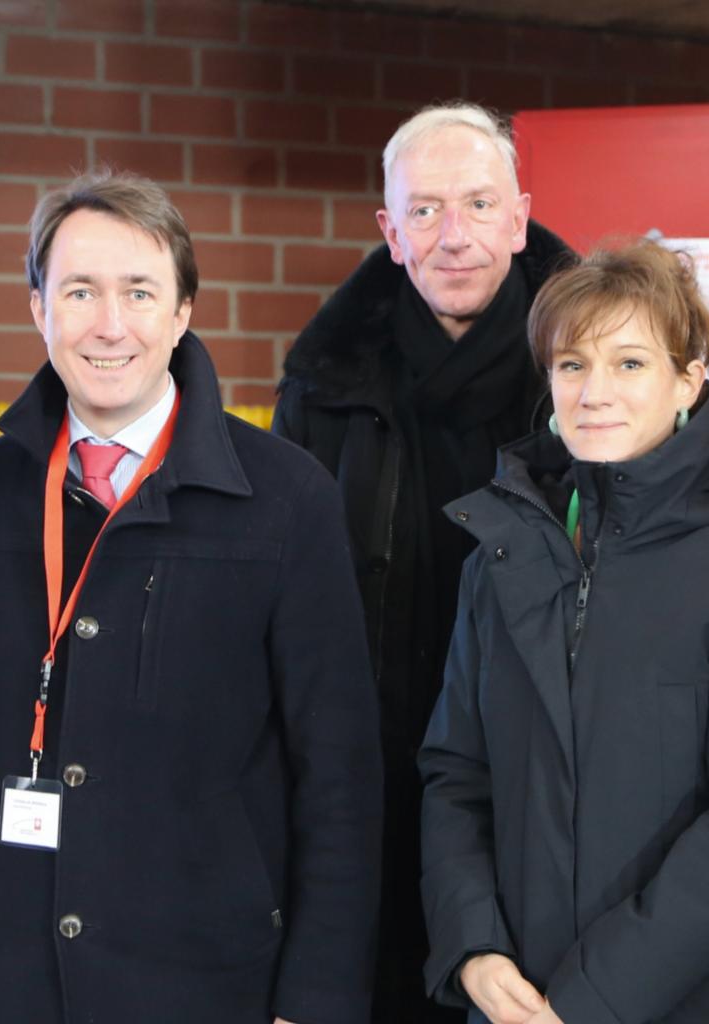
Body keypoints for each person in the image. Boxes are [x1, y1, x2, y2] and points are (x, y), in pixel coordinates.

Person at [0, 170, 382, 1024]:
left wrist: (316, 998)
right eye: (79, 291)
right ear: (38, 306)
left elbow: (338, 776)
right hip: (4, 974)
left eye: (139, 292)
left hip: (205, 979)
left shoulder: (286, 498)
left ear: (183, 311)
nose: (109, 324)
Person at [420, 239, 709, 1024]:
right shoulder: (502, 559)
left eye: (631, 364)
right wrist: (472, 947)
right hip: (514, 1003)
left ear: (688, 380)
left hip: (687, 1002)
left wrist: (589, 1002)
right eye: (572, 365)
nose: (594, 392)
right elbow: (455, 774)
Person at [272, 101, 575, 1024]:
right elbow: (283, 604)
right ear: (390, 233)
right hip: (365, 789)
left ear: (520, 220)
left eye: (480, 205)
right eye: (426, 210)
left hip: (544, 795)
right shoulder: (323, 387)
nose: (455, 237)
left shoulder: (592, 373)